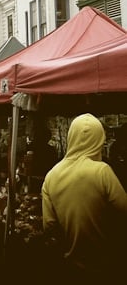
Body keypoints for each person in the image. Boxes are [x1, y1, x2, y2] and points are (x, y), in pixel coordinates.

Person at [42, 113, 127, 280]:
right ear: (99, 140)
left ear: (71, 137)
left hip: (68, 268)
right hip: (104, 267)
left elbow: (49, 226)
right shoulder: (102, 171)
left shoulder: (51, 176)